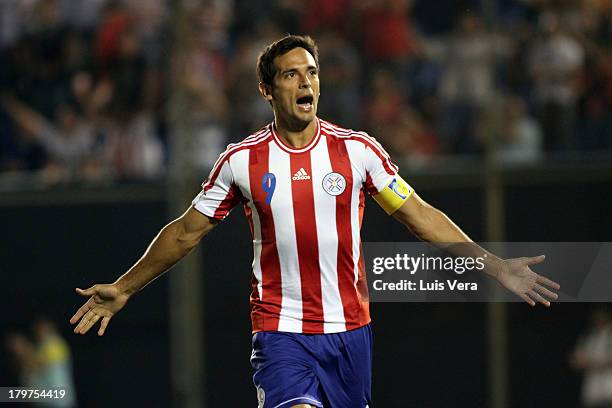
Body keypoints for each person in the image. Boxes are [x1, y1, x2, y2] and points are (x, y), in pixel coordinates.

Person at [70, 35, 560, 408]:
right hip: (281, 333)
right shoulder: (242, 162)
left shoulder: (358, 152)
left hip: (352, 335)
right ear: (267, 89)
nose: (306, 83)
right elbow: (185, 232)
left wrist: (494, 266)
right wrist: (127, 286)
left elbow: (420, 217)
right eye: (291, 75)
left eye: (312, 72)